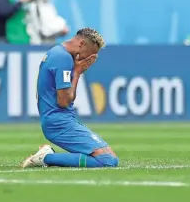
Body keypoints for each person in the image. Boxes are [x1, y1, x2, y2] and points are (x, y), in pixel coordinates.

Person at [22, 28, 119, 168]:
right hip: (59, 124)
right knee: (107, 161)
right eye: (90, 55)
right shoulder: (63, 58)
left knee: (112, 159)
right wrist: (78, 73)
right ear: (82, 44)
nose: (88, 60)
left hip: (61, 121)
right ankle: (46, 158)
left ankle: (48, 155)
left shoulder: (57, 53)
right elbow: (64, 101)